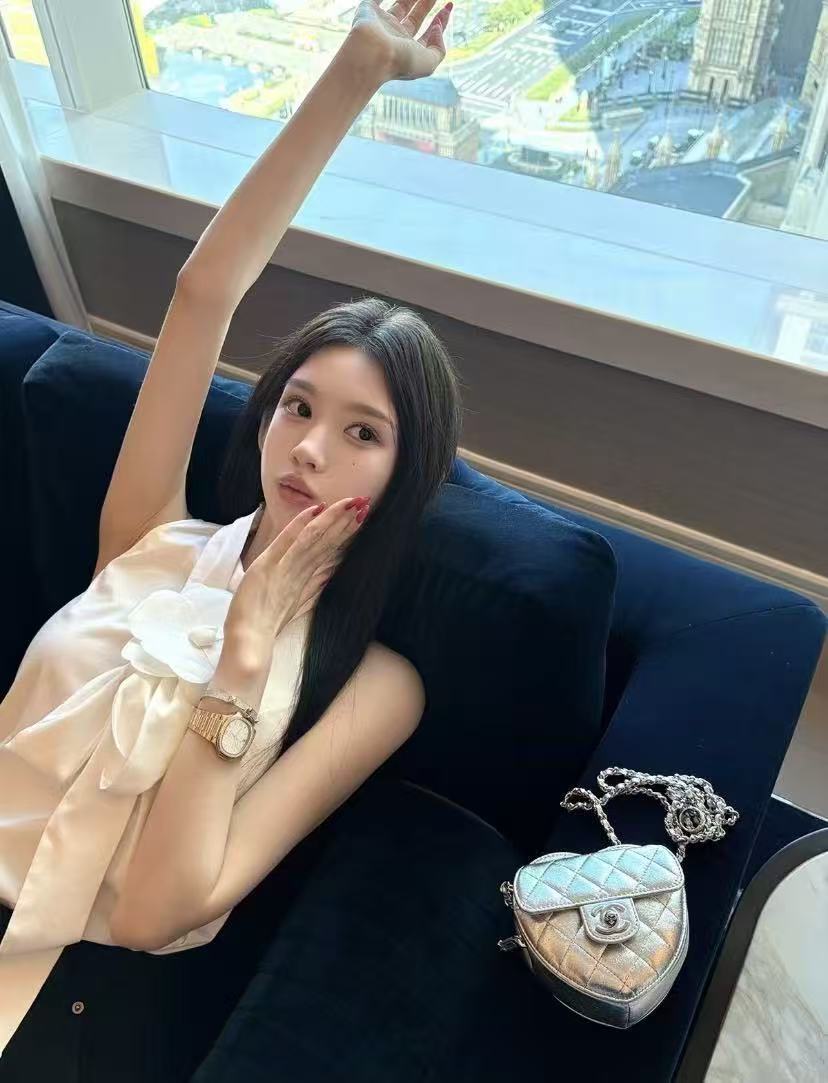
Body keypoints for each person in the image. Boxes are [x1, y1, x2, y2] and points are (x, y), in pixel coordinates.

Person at [0, 1, 462, 1076]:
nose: (310, 449)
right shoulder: (152, 537)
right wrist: (358, 68)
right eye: (297, 407)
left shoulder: (375, 684)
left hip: (62, 993)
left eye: (362, 433)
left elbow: (155, 914)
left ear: (406, 475)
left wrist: (244, 658)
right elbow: (203, 292)